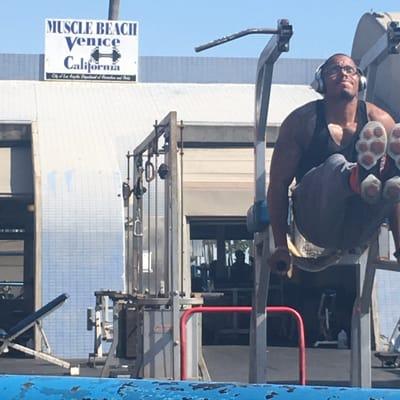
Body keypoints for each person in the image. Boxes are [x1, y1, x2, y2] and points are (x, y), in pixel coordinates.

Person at [267, 53, 399, 274]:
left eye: (350, 69)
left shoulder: (380, 120)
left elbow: (396, 196)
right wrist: (281, 244)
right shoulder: (301, 122)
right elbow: (278, 185)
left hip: (360, 226)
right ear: (321, 81)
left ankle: (369, 178)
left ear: (360, 81)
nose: (343, 74)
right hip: (316, 222)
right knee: (336, 163)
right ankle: (357, 176)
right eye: (334, 70)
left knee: (390, 183)